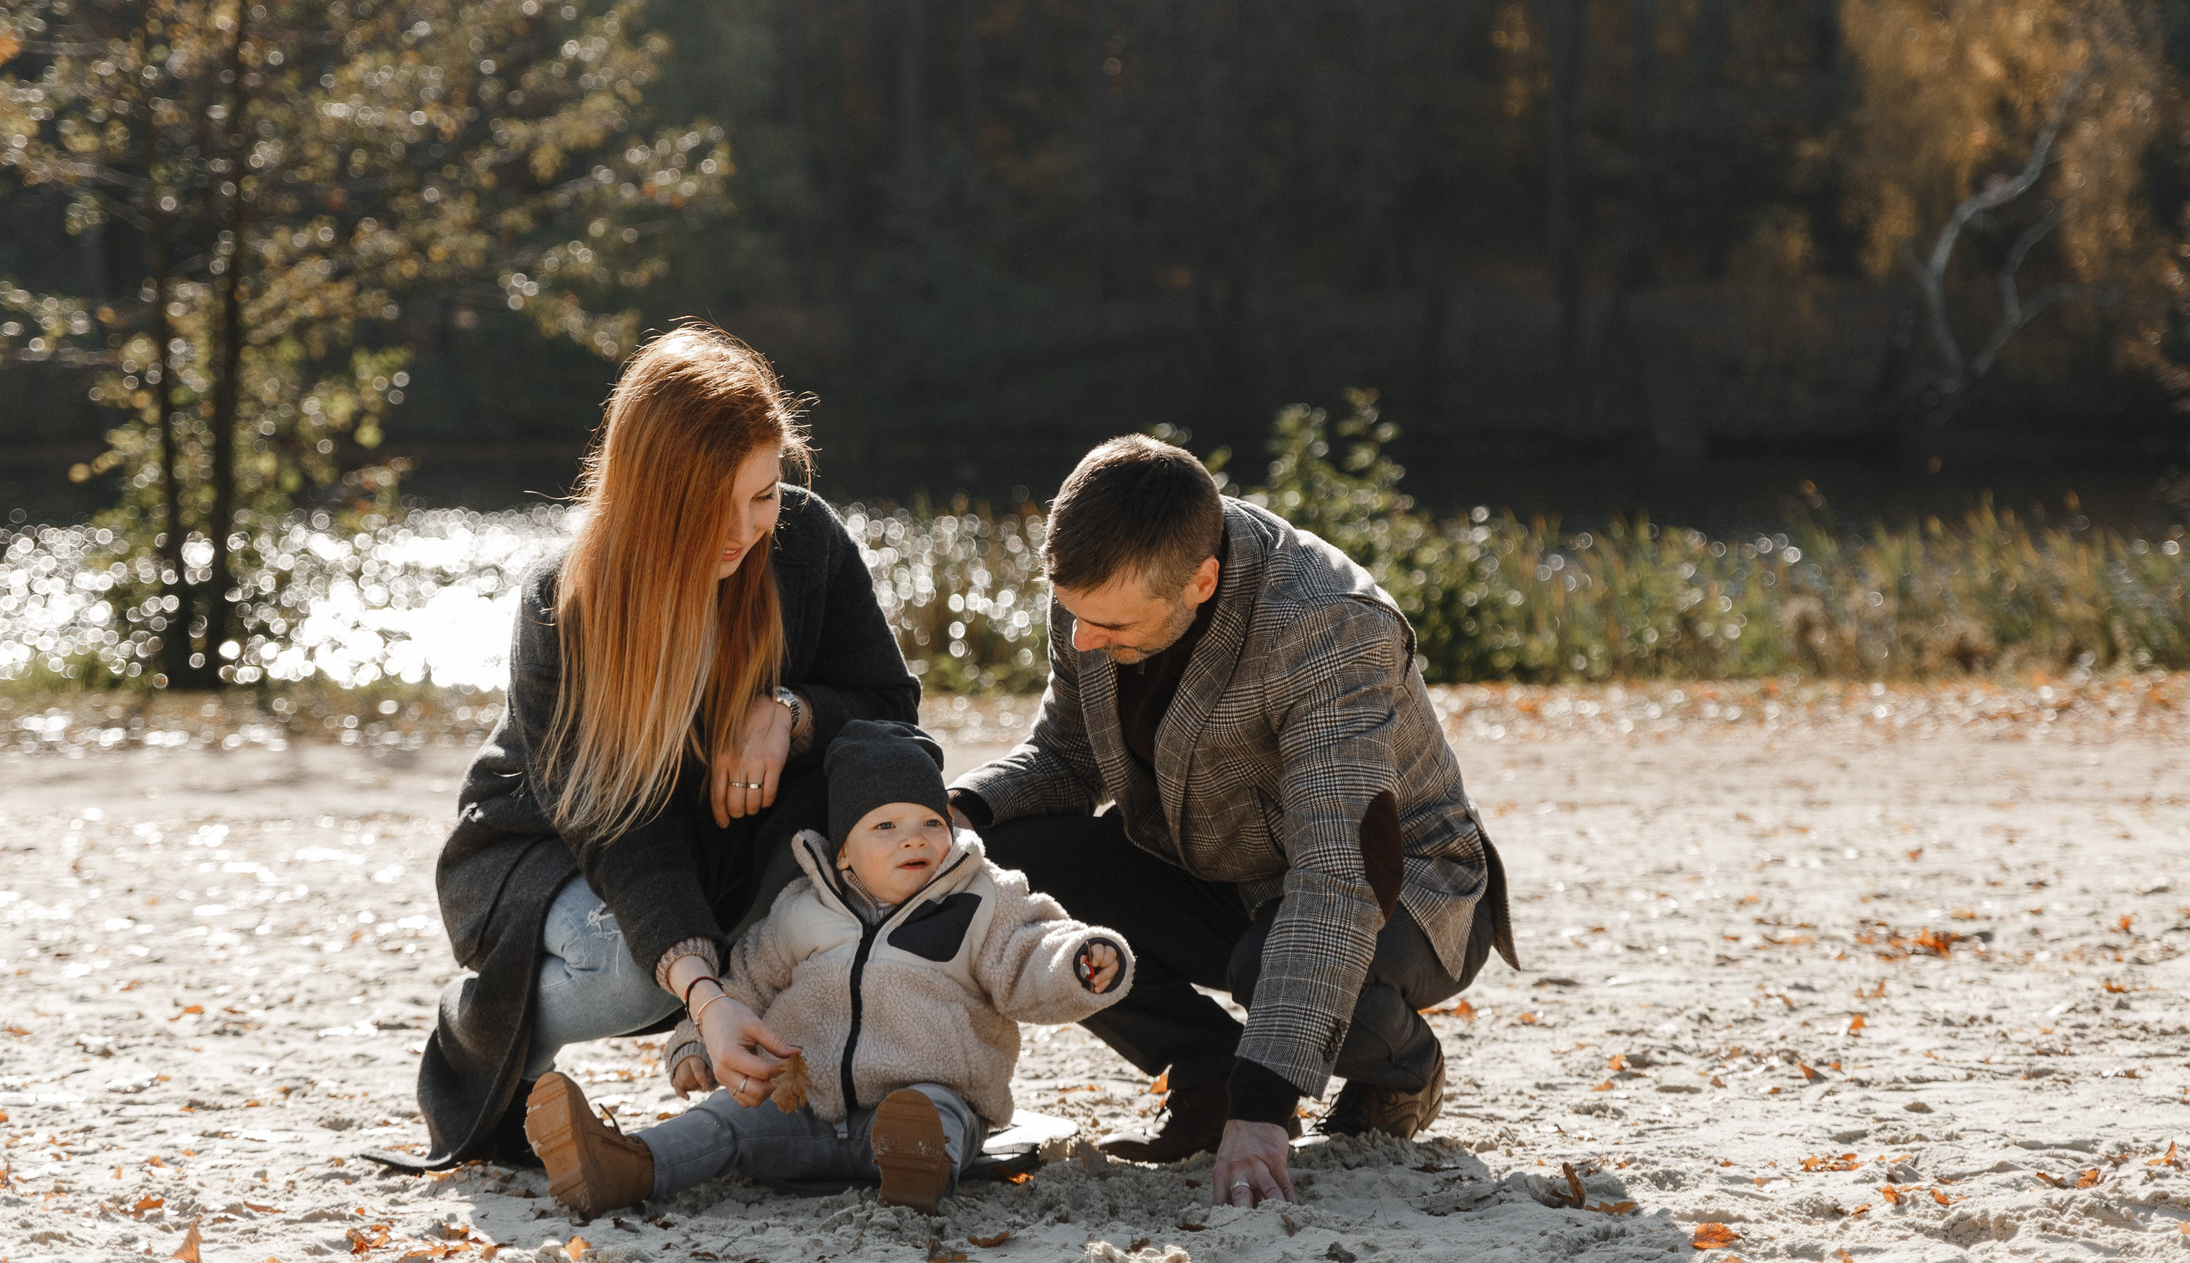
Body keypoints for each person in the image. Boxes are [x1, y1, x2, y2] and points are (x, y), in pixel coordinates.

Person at [378, 321, 919, 1172]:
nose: (746, 530)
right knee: (634, 973)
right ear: (654, 497)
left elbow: (894, 718)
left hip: (723, 847)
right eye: (717, 504)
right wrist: (706, 995)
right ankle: (479, 1027)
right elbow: (618, 824)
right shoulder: (568, 602)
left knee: (876, 842)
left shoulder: (804, 540)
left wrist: (789, 711)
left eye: (763, 493)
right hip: (546, 847)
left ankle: (845, 1093)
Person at [948, 435, 1519, 1210]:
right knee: (1008, 863)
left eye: (1107, 625)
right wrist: (957, 810)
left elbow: (1338, 878)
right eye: (1074, 616)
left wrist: (1263, 1111)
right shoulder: (1095, 589)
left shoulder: (1327, 628)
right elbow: (1067, 756)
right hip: (1216, 867)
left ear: (1202, 580)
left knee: (1271, 958)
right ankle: (1204, 1069)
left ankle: (1402, 1066)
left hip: (1401, 890)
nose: (1082, 638)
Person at [526, 719, 1133, 1217]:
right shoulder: (798, 911)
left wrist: (1079, 963)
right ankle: (626, 1166)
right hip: (802, 1111)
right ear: (843, 851)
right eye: (886, 826)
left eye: (930, 823)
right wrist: (694, 1043)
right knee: (722, 1121)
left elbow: (1030, 951)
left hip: (920, 1104)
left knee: (933, 1114)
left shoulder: (982, 900)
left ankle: (914, 1176)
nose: (913, 839)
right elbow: (745, 985)